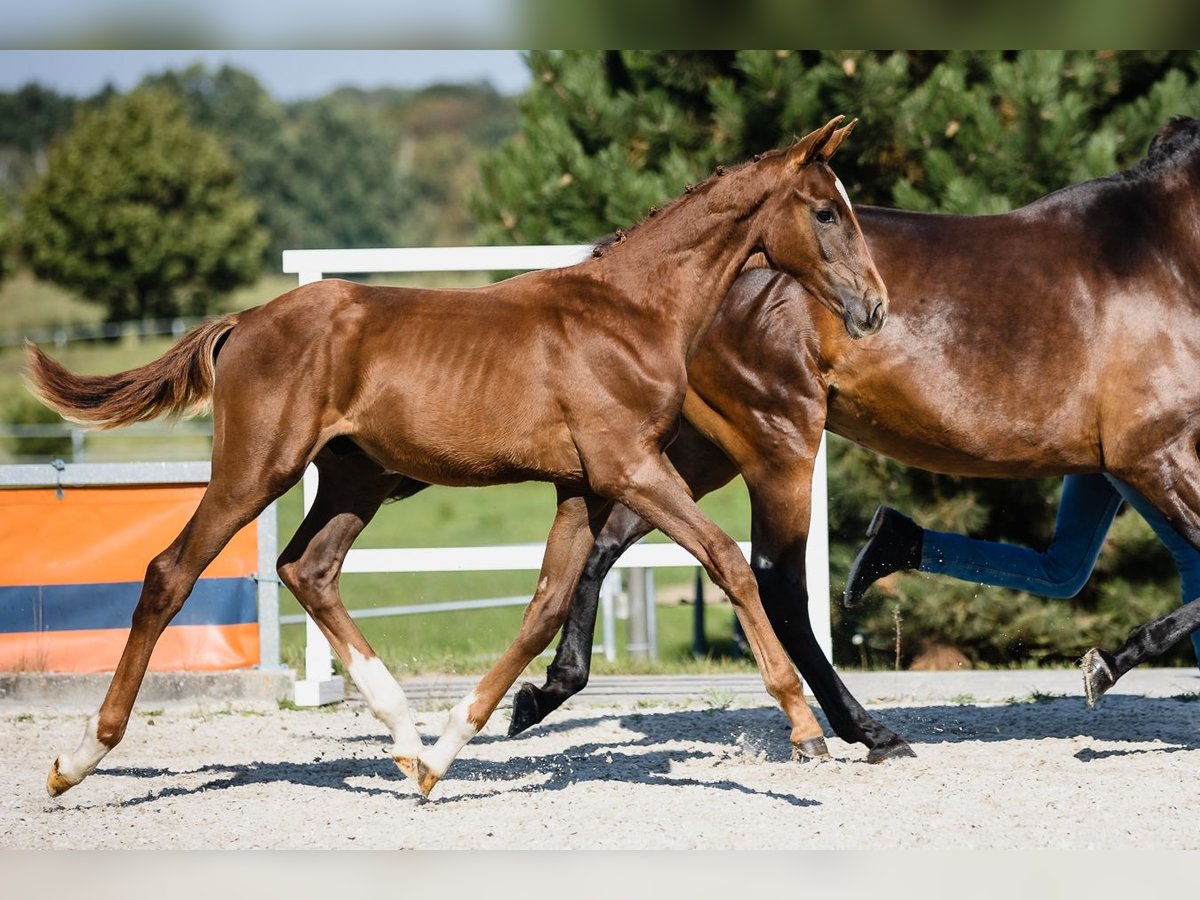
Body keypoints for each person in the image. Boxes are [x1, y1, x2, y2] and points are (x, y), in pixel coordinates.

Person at [843, 472, 1200, 668]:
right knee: (1194, 554)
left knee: (1063, 573)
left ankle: (910, 544)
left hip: (1103, 440)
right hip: (1132, 435)